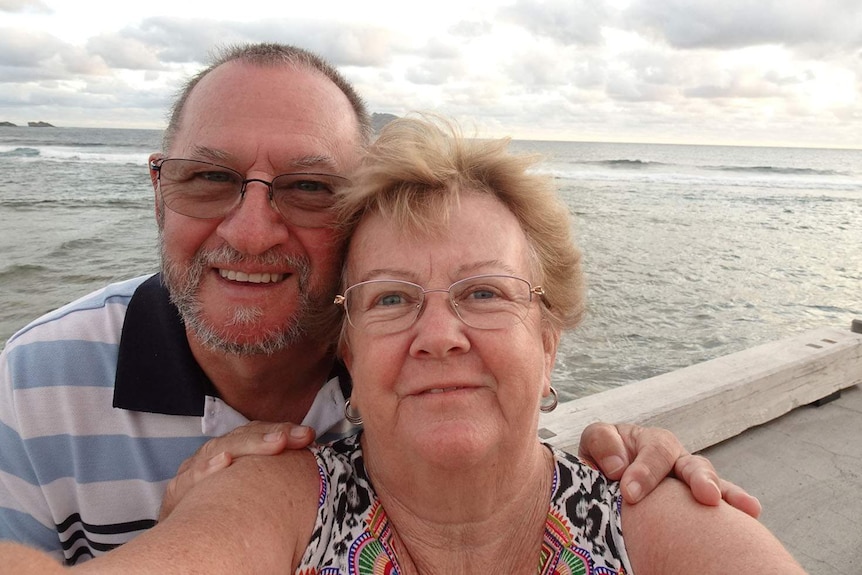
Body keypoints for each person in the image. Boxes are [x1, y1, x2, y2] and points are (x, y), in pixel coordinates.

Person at [0, 44, 757, 565]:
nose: (252, 229)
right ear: (158, 191)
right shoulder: (34, 382)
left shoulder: (397, 387)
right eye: (208, 178)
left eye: (307, 187)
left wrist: (630, 457)